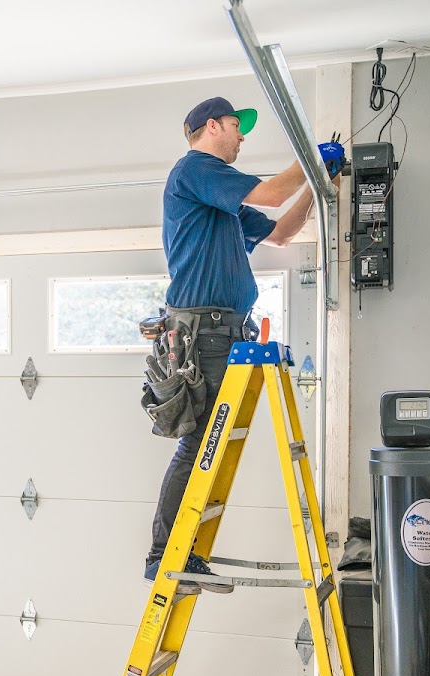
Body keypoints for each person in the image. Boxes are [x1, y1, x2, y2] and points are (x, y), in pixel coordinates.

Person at [144, 96, 338, 596]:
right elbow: (272, 192)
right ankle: (165, 556)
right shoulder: (196, 171)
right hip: (203, 333)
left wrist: (318, 189)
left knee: (207, 444)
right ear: (212, 127)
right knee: (197, 444)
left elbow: (279, 233)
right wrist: (312, 163)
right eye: (236, 126)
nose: (241, 135)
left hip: (226, 331)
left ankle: (181, 552)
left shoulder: (223, 202)